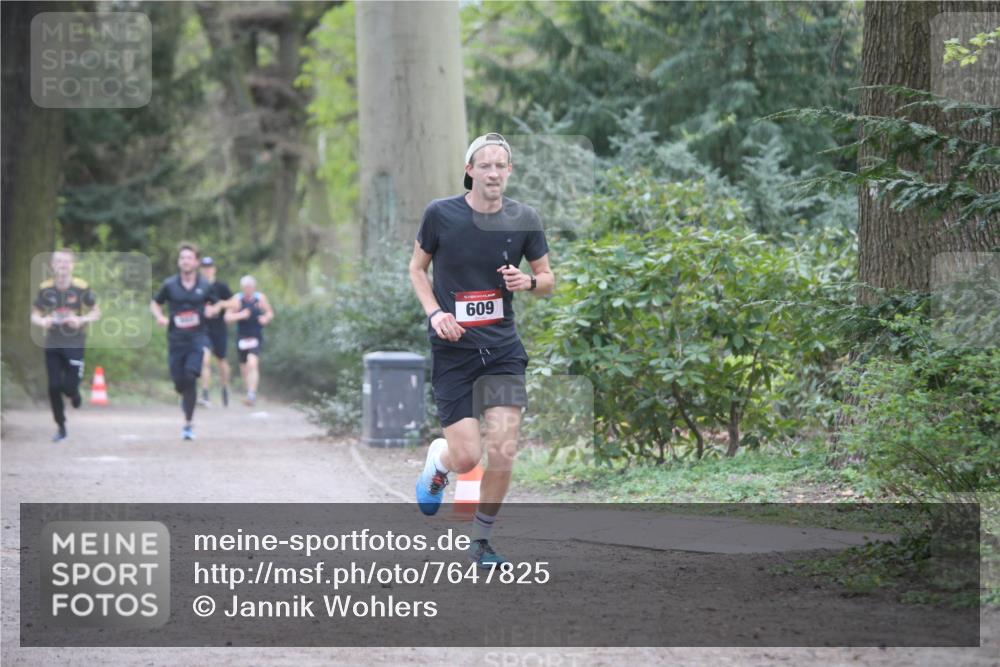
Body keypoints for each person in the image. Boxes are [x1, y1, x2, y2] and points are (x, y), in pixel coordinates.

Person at [409, 133, 554, 568]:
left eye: (501, 165)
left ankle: (481, 543)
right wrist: (435, 313)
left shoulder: (524, 218)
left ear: (510, 172)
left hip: (503, 349)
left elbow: (547, 279)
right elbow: (417, 269)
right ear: (470, 170)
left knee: (505, 448)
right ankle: (440, 460)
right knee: (468, 455)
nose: (493, 172)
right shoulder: (441, 214)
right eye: (485, 165)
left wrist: (527, 283)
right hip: (454, 350)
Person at [150, 243, 222, 440]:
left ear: (196, 262)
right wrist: (159, 316)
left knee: (190, 377)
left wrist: (212, 310)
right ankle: (184, 397)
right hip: (176, 340)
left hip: (197, 339)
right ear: (178, 262)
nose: (185, 261)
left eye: (189, 258)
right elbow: (155, 302)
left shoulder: (205, 285)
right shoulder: (170, 284)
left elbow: (216, 304)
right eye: (182, 258)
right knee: (179, 382)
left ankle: (188, 423)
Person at [30, 250, 101, 442]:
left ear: (72, 265)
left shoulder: (81, 287)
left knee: (69, 388)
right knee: (53, 387)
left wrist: (80, 319)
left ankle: (75, 394)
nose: (62, 265)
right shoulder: (46, 288)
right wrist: (42, 321)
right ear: (52, 266)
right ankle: (60, 426)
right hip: (53, 343)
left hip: (74, 343)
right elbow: (34, 314)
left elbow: (96, 312)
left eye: (66, 262)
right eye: (59, 262)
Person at [224, 275, 273, 407]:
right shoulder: (237, 299)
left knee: (253, 363)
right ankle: (249, 393)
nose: (248, 289)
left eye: (250, 286)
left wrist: (265, 318)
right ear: (242, 288)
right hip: (242, 337)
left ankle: (252, 393)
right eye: (246, 287)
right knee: (244, 368)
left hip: (256, 335)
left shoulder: (260, 298)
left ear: (254, 287)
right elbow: (227, 317)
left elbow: (269, 312)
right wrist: (241, 315)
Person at [198, 256, 233, 408]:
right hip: (202, 329)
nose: (207, 270)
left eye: (209, 267)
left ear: (214, 269)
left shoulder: (221, 287)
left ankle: (225, 386)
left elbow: (235, 302)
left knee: (221, 362)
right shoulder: (197, 286)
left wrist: (220, 305)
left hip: (219, 329)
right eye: (204, 267)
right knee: (204, 359)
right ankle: (205, 393)